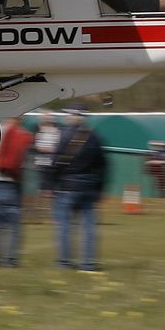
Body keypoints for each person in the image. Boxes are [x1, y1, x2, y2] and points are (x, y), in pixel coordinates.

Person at [50, 104, 106, 272]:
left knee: (65, 226)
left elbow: (55, 163)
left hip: (67, 186)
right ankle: (88, 263)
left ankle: (64, 263)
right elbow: (102, 165)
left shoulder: (63, 135)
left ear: (70, 116)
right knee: (88, 227)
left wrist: (52, 184)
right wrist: (99, 188)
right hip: (88, 186)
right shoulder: (94, 136)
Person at [0, 117, 33, 267]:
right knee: (12, 225)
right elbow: (27, 162)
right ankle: (10, 259)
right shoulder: (23, 134)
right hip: (12, 183)